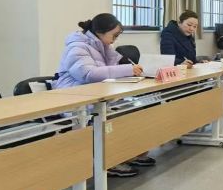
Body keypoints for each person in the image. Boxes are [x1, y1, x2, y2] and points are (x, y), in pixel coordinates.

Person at [52, 13, 153, 178]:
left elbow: (110, 68)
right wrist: (127, 69)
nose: (115, 40)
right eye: (114, 35)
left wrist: (127, 66)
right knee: (114, 115)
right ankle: (110, 161)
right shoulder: (77, 47)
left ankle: (130, 153)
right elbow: (88, 74)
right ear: (100, 32)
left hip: (96, 94)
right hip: (74, 98)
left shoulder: (102, 47)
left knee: (134, 107)